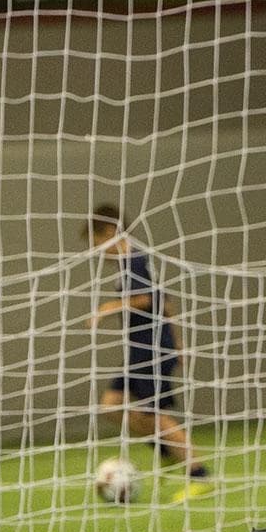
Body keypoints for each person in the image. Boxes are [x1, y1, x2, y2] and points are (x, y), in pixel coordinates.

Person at [86, 204, 213, 503]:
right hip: (142, 349)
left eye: (97, 244)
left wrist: (107, 308)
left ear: (108, 233)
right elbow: (164, 302)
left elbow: (145, 299)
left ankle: (199, 475)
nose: (99, 252)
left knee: (155, 416)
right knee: (112, 404)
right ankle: (166, 450)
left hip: (151, 349)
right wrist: (178, 343)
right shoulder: (131, 263)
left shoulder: (133, 260)